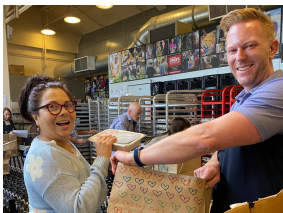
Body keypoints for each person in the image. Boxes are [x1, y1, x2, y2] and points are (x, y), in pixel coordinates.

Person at [110, 8, 283, 213]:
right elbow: (223, 146)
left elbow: (205, 139)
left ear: (272, 48)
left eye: (250, 46)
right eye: (232, 50)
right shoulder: (241, 100)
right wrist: (215, 164)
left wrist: (134, 157)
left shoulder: (278, 90)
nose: (240, 57)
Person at [19, 75, 116, 212]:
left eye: (68, 105)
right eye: (52, 106)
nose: (64, 112)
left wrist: (106, 166)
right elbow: (79, 208)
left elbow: (82, 181)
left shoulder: (62, 144)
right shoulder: (45, 155)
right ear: (36, 117)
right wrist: (101, 160)